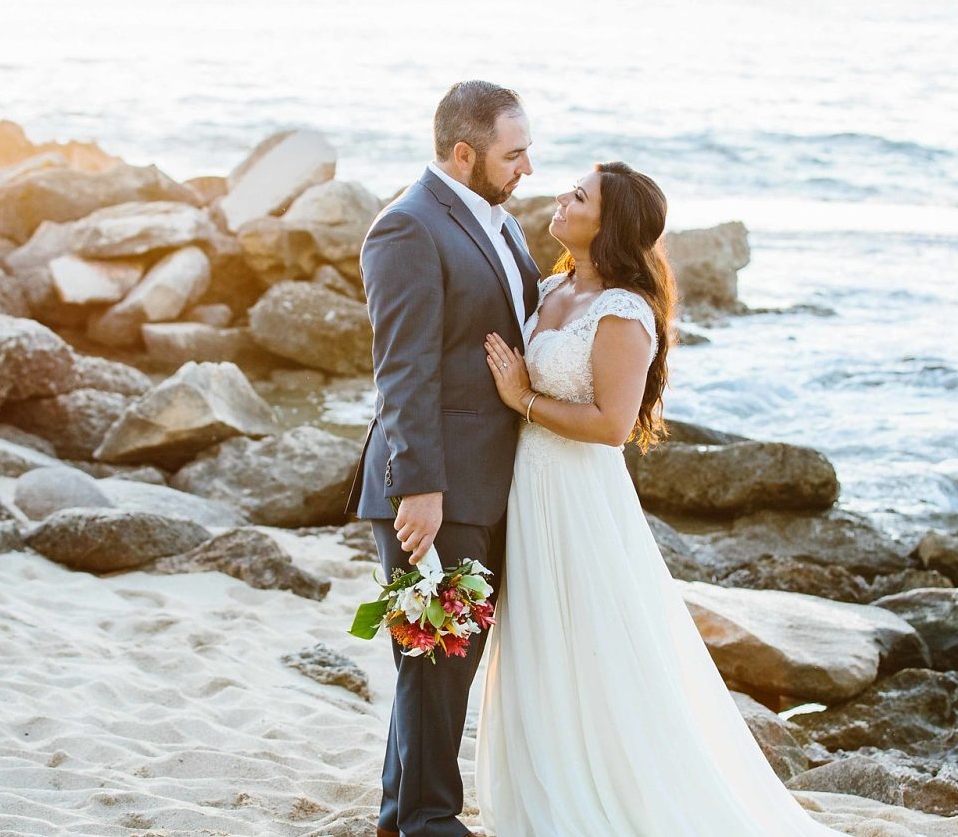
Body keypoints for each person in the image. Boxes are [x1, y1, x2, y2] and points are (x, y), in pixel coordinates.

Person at [475, 162, 852, 836]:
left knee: (589, 647)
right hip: (526, 485)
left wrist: (523, 399)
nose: (561, 197)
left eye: (579, 196)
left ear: (608, 223)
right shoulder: (551, 284)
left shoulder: (623, 312)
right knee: (536, 641)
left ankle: (603, 795)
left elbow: (611, 425)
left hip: (577, 496)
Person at [344, 79, 541, 837]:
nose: (526, 167)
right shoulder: (407, 229)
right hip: (435, 491)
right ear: (464, 154)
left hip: (487, 485)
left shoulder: (501, 223)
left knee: (440, 667)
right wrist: (419, 488)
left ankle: (401, 815)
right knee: (435, 661)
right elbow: (402, 371)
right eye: (512, 154)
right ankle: (430, 821)